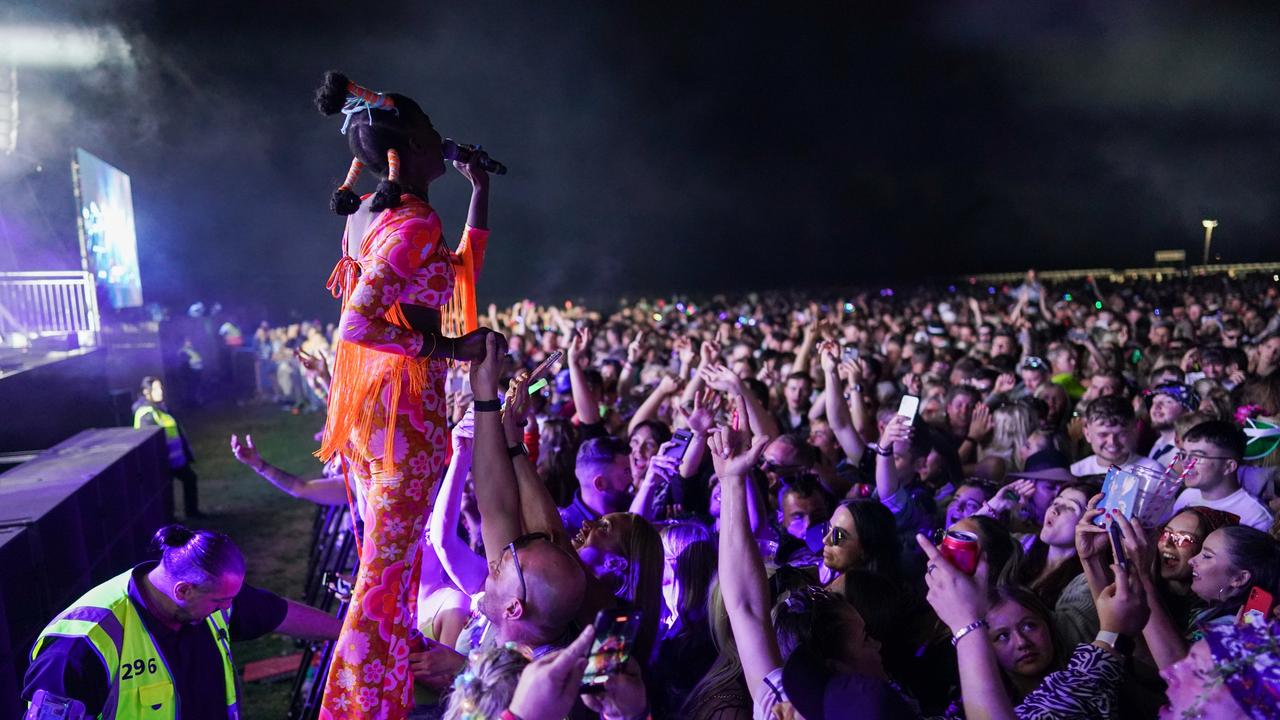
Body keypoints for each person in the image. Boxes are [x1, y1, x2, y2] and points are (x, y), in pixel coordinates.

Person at [311, 70, 495, 719]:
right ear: (407, 152)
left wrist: (479, 191)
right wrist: (446, 352)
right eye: (429, 134)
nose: (441, 139)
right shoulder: (414, 221)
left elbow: (455, 271)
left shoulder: (369, 212)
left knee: (390, 573)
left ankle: (375, 699)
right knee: (385, 582)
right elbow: (358, 321)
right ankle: (353, 708)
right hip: (401, 409)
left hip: (375, 406)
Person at [23, 526, 339, 719]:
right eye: (220, 602)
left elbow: (276, 613)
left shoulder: (211, 599)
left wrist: (351, 633)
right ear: (183, 590)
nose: (229, 608)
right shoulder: (81, 647)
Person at [1170, 420, 1273, 531]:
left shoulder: (1255, 517)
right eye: (1183, 455)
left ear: (1228, 466)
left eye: (1197, 458)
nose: (1186, 463)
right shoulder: (1187, 496)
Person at [133, 376, 204, 518]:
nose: (160, 391)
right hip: (161, 462)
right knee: (166, 491)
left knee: (189, 479)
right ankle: (171, 519)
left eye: (161, 388)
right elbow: (150, 442)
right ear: (146, 392)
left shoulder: (161, 408)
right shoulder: (146, 413)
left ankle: (190, 512)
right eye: (156, 389)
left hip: (174, 460)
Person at [1069, 395, 1166, 478]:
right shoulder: (1075, 473)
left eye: (1121, 434)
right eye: (1103, 434)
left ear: (1134, 432)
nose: (1112, 442)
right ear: (1087, 434)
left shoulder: (1154, 473)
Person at [560, 437, 634, 536]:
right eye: (627, 472)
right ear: (600, 484)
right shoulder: (567, 531)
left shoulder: (631, 508)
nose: (632, 479)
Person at [1143, 383, 1197, 467]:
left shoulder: (1187, 451)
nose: (1156, 406)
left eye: (1168, 402)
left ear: (1187, 411)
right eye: (1154, 401)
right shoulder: (1159, 442)